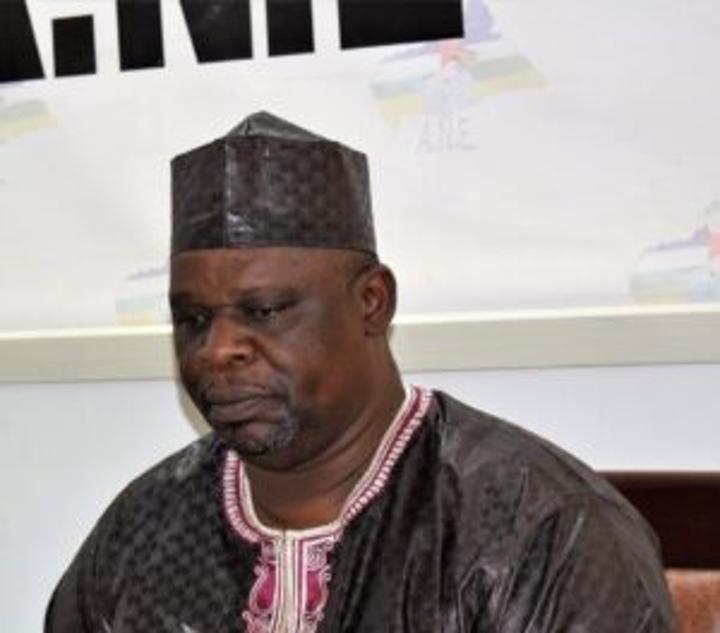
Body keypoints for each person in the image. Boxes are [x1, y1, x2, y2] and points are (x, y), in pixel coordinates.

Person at [45, 112, 675, 632]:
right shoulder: (141, 531)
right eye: (193, 319)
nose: (217, 350)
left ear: (373, 302)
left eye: (263, 311)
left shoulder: (540, 529)